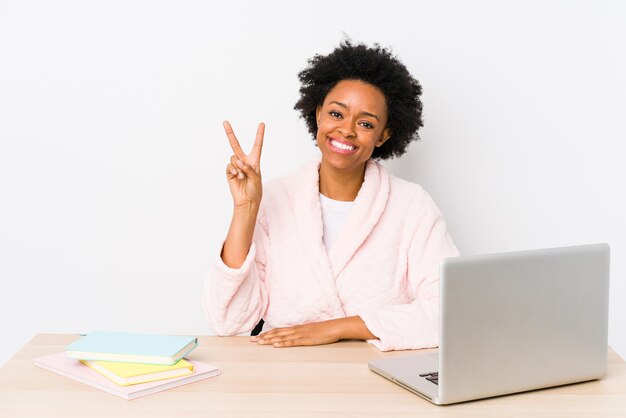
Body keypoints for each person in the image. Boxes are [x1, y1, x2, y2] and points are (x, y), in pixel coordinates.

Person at [202, 40, 459, 351]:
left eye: (365, 123)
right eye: (337, 114)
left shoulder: (412, 207)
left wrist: (336, 329)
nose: (347, 130)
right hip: (283, 377)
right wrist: (246, 209)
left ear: (384, 135)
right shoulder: (275, 199)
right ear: (319, 113)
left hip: (378, 379)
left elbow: (451, 311)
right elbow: (227, 320)